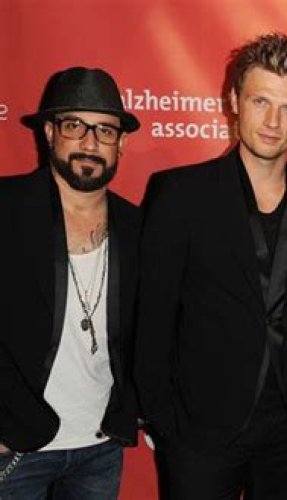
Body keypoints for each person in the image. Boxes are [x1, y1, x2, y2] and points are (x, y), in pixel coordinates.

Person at [135, 32, 287, 500]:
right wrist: (164, 421)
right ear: (234, 100)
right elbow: (152, 316)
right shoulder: (180, 194)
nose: (272, 122)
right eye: (260, 102)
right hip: (200, 432)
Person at [0, 67, 141, 499]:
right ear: (50, 132)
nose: (90, 143)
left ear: (121, 143)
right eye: (74, 126)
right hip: (15, 446)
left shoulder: (138, 225)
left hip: (101, 446)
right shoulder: (6, 208)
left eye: (105, 130)